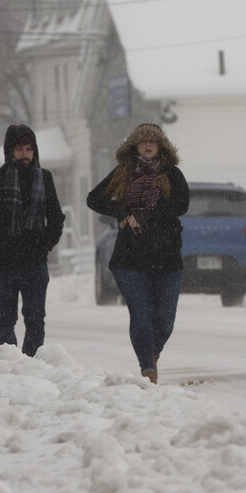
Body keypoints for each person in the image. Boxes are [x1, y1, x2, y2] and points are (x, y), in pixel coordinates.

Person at [87, 123, 189, 384]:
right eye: (142, 140)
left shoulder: (171, 173)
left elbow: (181, 204)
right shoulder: (123, 173)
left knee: (165, 320)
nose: (147, 144)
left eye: (152, 141)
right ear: (134, 145)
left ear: (160, 146)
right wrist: (121, 212)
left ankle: (151, 353)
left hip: (166, 257)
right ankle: (147, 370)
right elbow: (94, 198)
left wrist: (148, 215)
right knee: (141, 316)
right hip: (130, 259)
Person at [0, 124, 65, 356]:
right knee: (5, 318)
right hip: (4, 262)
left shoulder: (44, 179)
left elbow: (56, 218)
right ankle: (8, 364)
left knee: (35, 318)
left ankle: (32, 364)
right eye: (19, 149)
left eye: (29, 149)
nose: (25, 154)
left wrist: (46, 243)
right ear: (10, 151)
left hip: (35, 262)